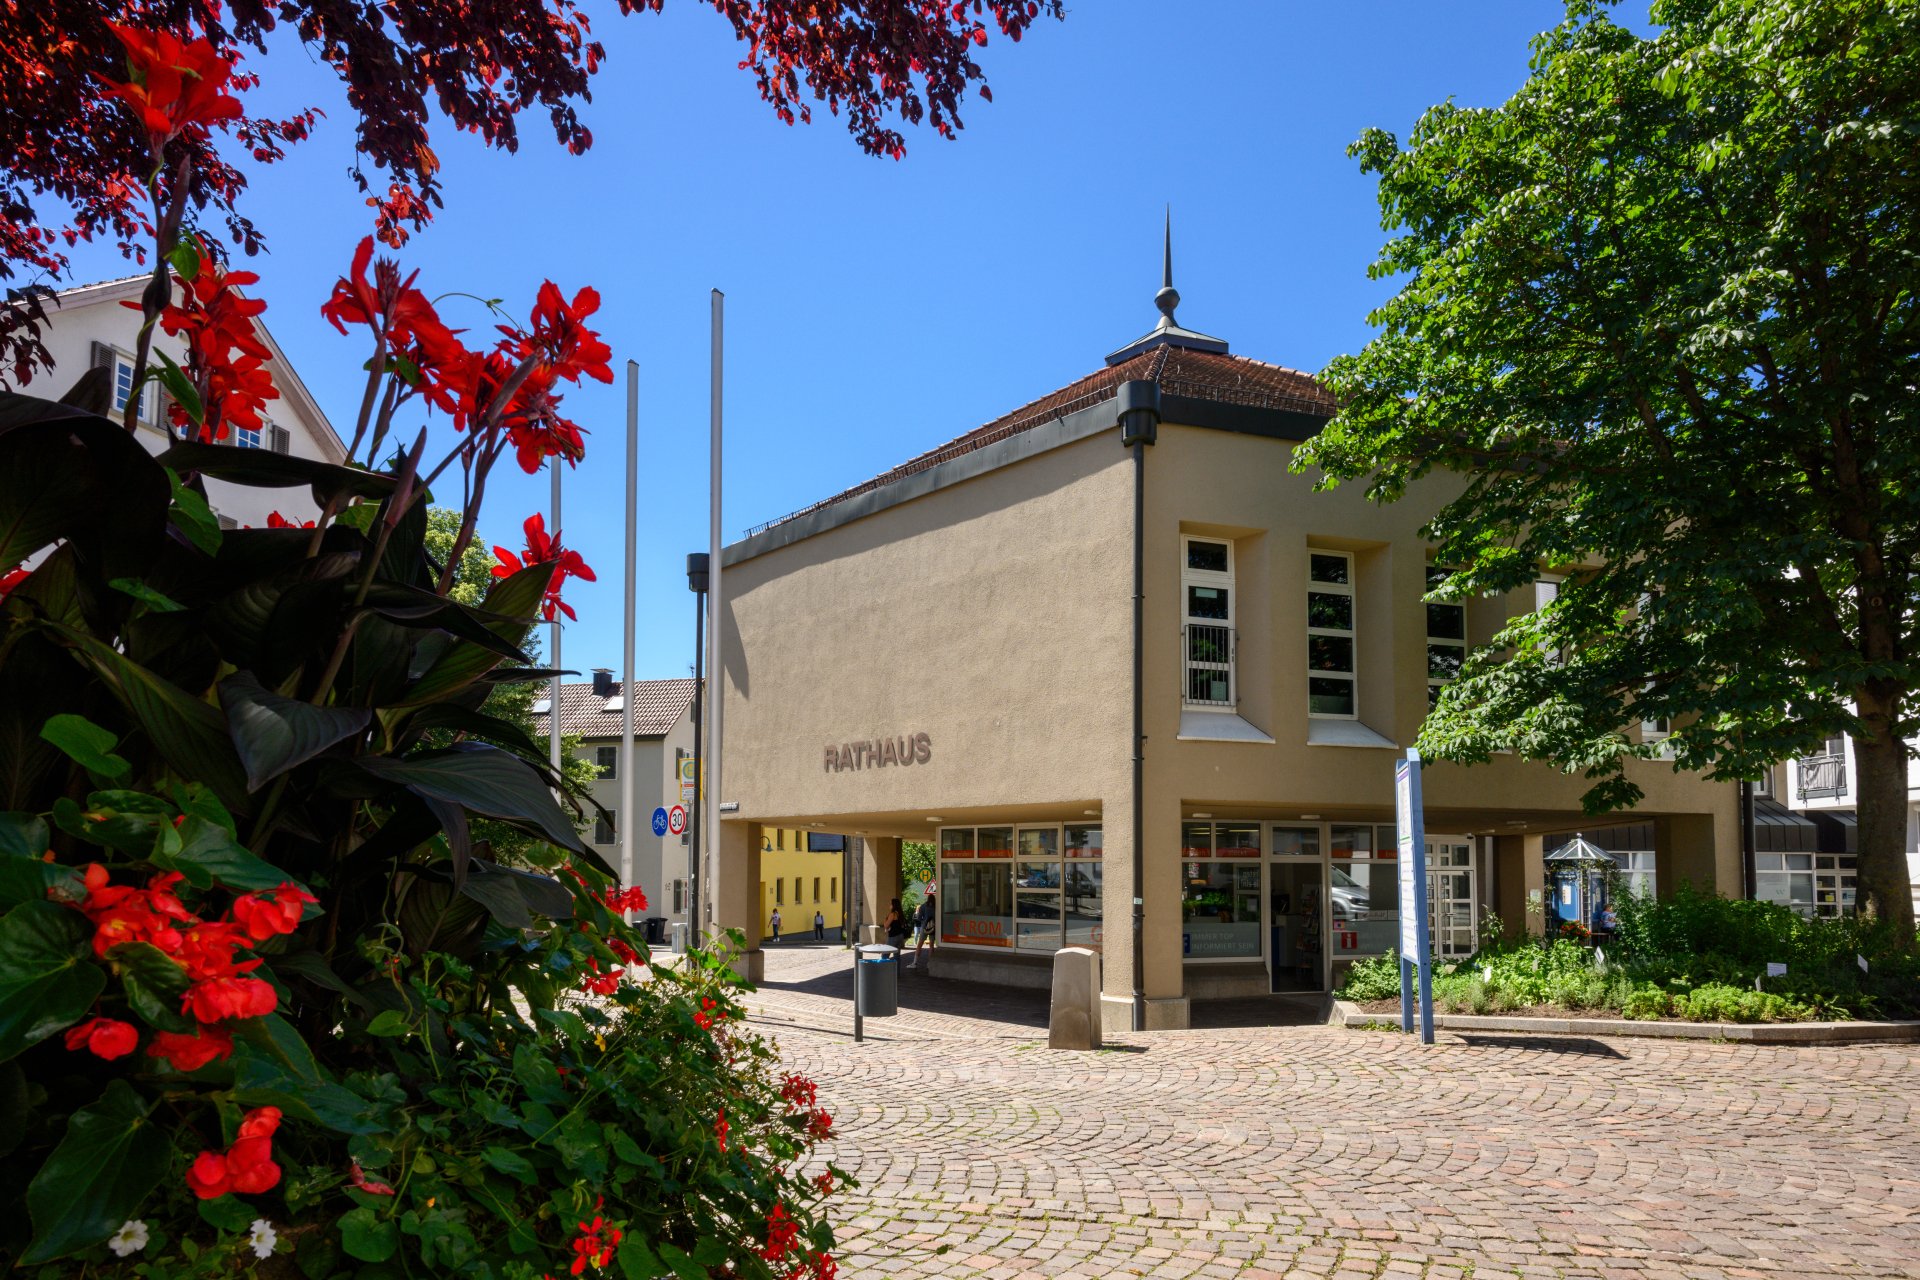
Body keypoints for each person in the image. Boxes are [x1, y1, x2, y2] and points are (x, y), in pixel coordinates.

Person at [907, 889, 936, 969]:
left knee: (919, 944)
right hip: (933, 928)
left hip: (924, 927)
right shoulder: (936, 907)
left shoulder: (923, 906)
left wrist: (924, 921)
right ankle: (930, 964)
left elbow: (919, 918)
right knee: (931, 946)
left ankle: (915, 962)